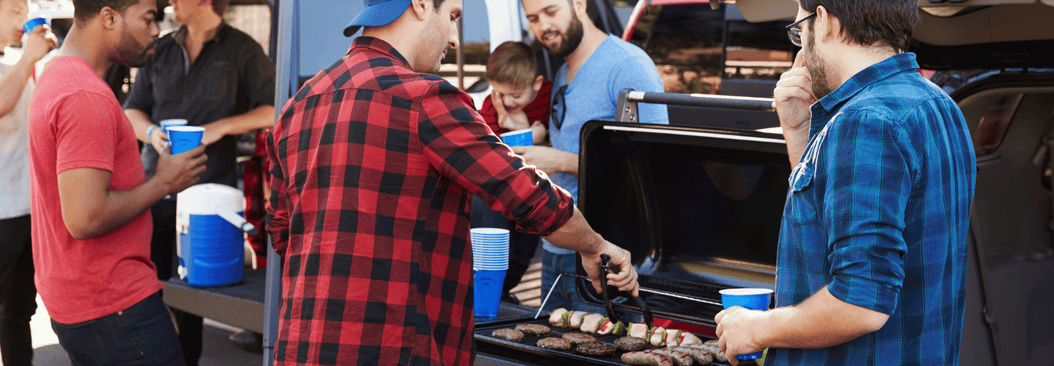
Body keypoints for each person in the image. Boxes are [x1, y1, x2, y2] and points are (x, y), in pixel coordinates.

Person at [266, 0, 641, 364]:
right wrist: (596, 246)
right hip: (398, 348)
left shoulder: (297, 105)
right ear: (421, 4)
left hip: (303, 346)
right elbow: (530, 196)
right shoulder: (426, 98)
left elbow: (282, 233)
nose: (455, 39)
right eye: (454, 16)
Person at [711, 0, 977, 364]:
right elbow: (831, 225)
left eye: (799, 30)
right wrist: (798, 132)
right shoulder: (940, 105)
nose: (801, 45)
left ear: (824, 21)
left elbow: (860, 303)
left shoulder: (864, 121)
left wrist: (756, 328)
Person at [27, 0, 208, 364]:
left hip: (91, 299)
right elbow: (85, 217)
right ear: (109, 17)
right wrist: (163, 182)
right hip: (109, 302)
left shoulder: (58, 73)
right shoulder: (84, 95)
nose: (156, 30)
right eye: (148, 19)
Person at [123, 0, 276, 362]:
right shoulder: (159, 48)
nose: (171, 3)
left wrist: (220, 128)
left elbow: (275, 109)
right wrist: (152, 133)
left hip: (208, 202)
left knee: (191, 301)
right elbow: (132, 109)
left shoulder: (243, 49)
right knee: (148, 294)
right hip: (154, 192)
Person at [519, 0, 668, 314]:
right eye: (533, 18)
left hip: (608, 251)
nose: (543, 26)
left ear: (579, 4)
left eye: (550, 11)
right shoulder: (562, 72)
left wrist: (559, 161)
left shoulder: (627, 65)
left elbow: (656, 167)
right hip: (556, 247)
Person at [473, 41, 551, 302]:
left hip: (533, 193)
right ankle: (494, 292)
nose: (506, 102)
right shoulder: (490, 105)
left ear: (537, 84)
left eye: (515, 95)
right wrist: (532, 135)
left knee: (525, 249)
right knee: (495, 248)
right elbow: (493, 154)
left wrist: (525, 131)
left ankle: (505, 290)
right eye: (500, 93)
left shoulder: (549, 97)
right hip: (499, 193)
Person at [0, 0, 54, 364]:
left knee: (19, 312)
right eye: (14, 9)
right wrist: (27, 60)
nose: (24, 17)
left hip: (26, 209)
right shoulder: (19, 65)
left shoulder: (17, 65)